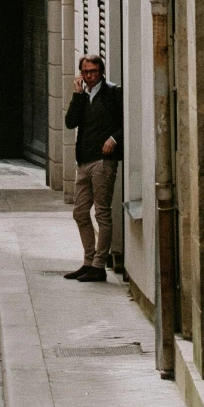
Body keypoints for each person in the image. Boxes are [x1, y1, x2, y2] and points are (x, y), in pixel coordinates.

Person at [63, 54, 123, 280]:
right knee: (80, 212)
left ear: (102, 72)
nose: (90, 77)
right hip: (84, 161)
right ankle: (88, 260)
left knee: (102, 212)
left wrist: (114, 139)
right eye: (86, 72)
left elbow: (125, 122)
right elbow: (70, 123)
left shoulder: (113, 93)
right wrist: (77, 95)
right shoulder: (82, 96)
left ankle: (99, 265)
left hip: (103, 161)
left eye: (94, 72)